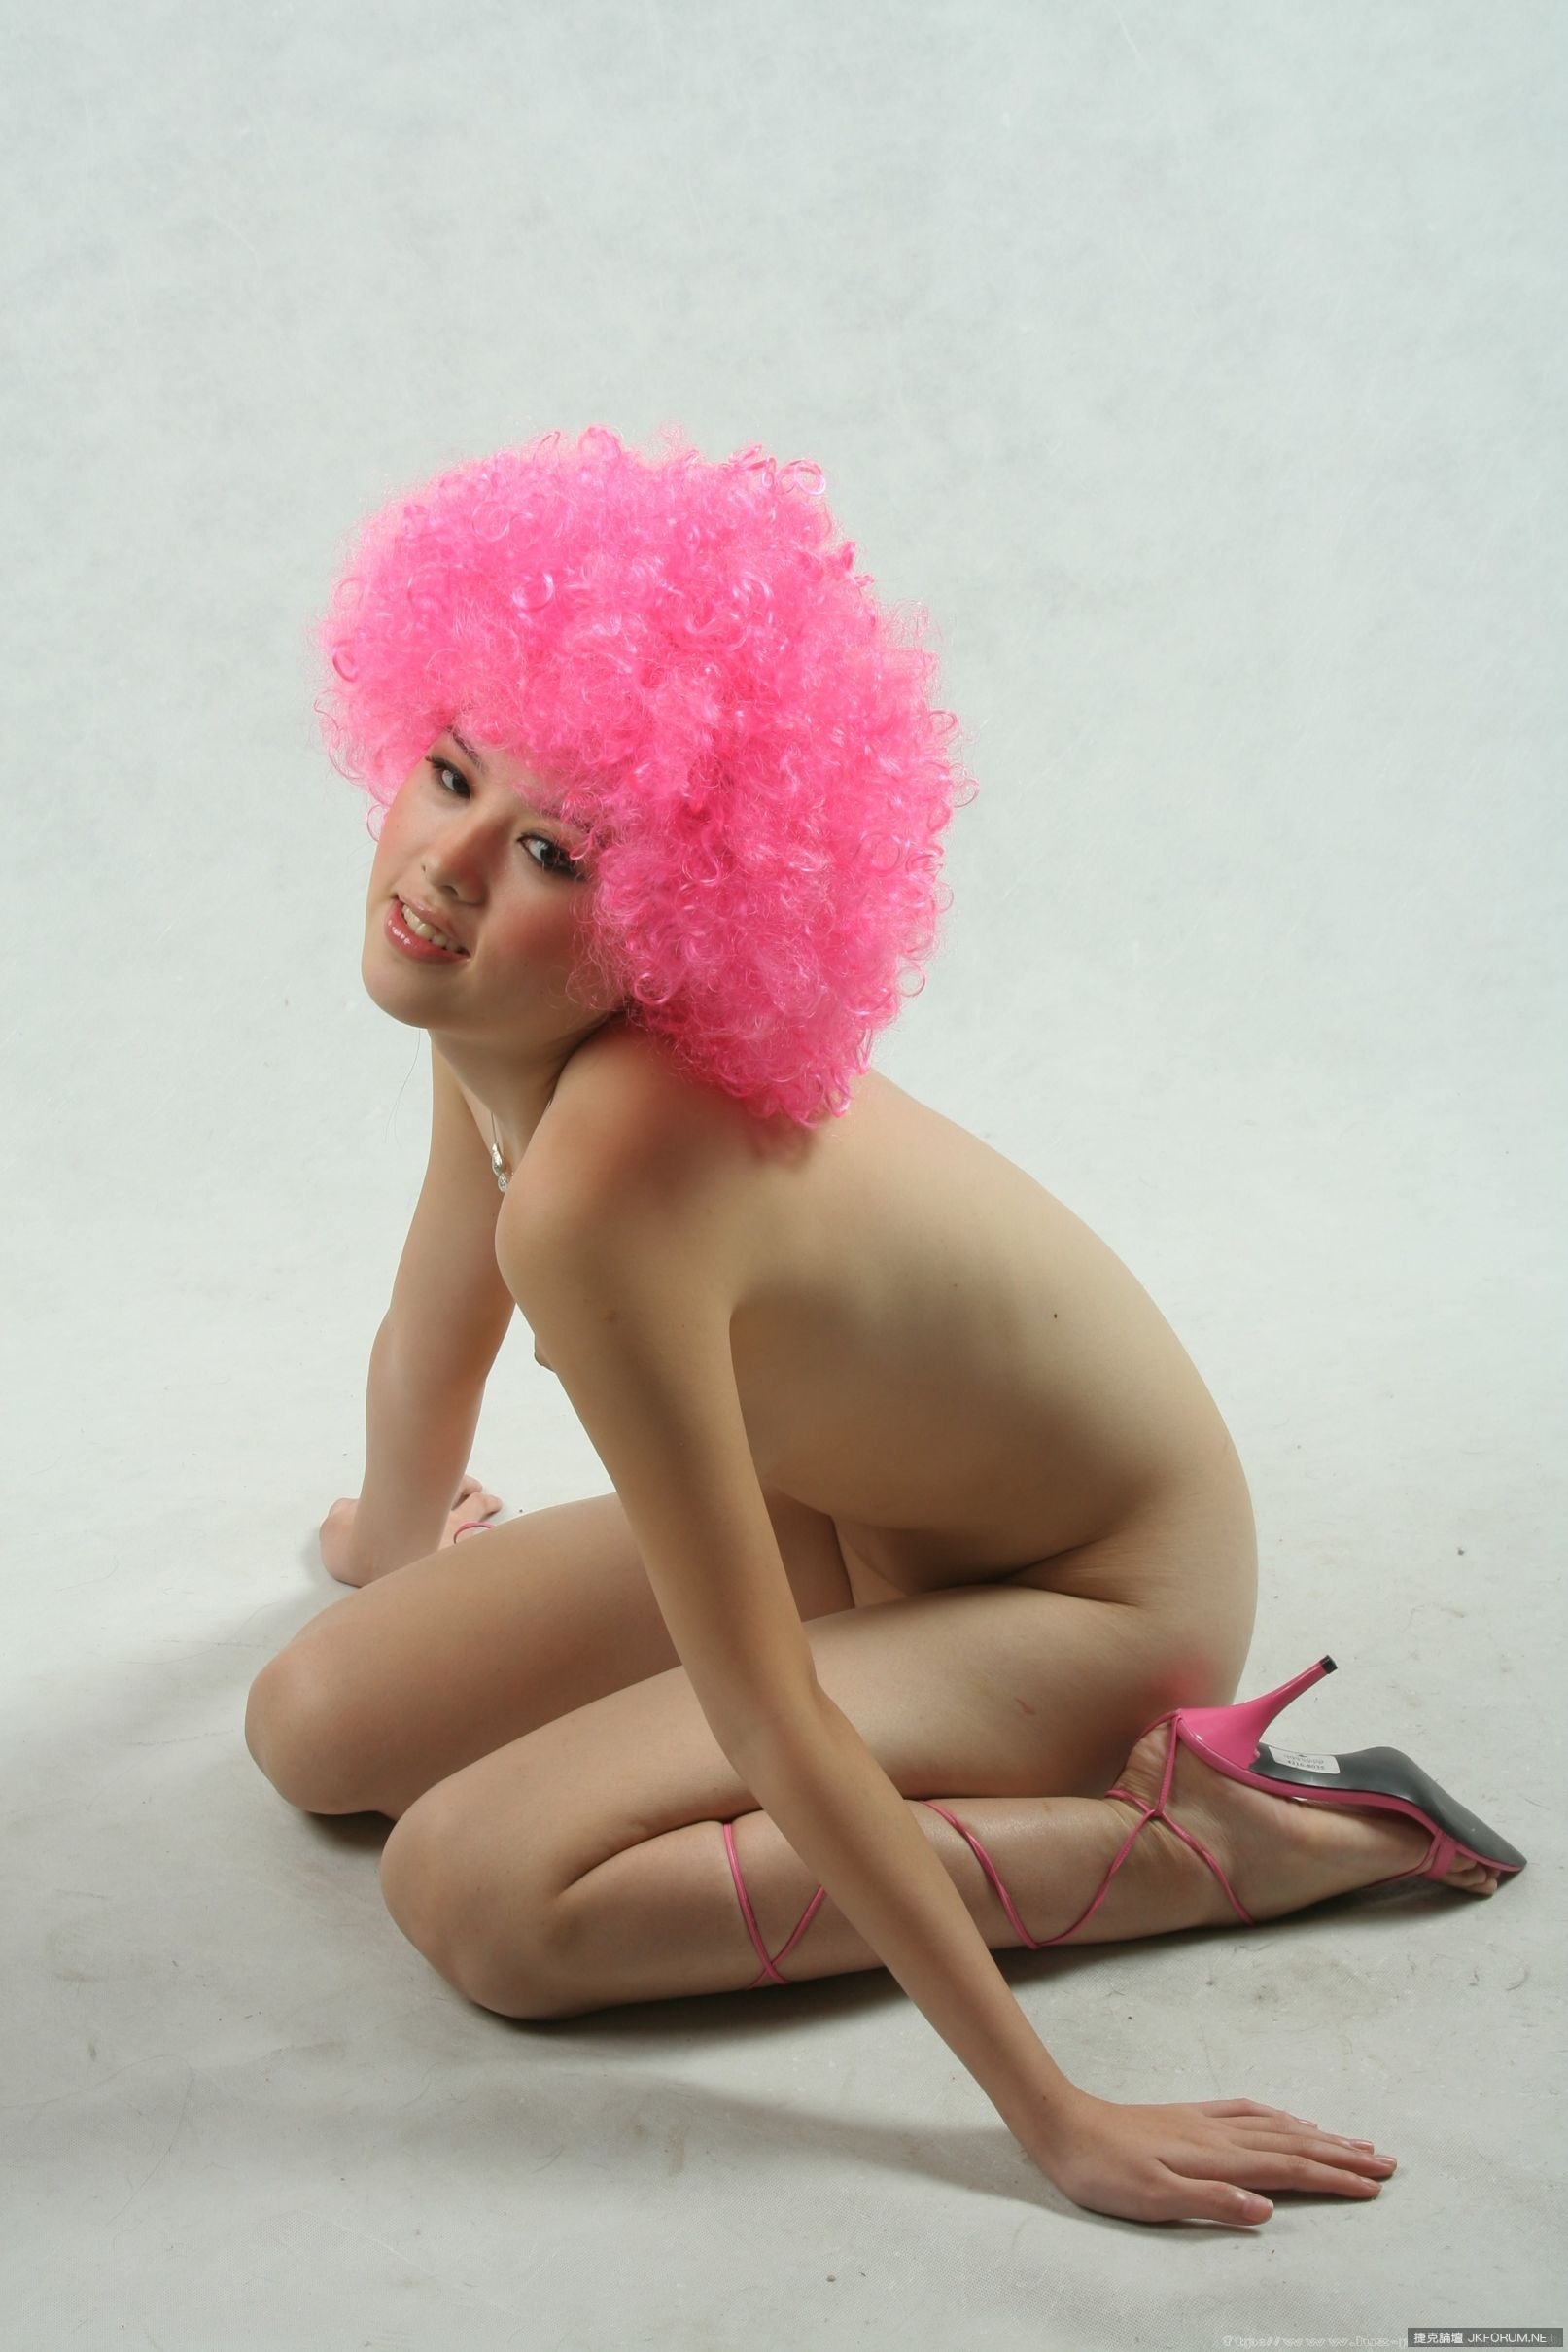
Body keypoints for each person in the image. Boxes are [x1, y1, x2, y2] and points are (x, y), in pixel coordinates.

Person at [244, 424, 1522, 2229]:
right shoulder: (501, 1018)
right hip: (859, 1526)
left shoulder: (611, 1180)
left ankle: (1207, 1840)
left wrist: (1054, 2117)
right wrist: (393, 1551)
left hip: (1088, 1601)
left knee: (477, 1893)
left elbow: (769, 1710)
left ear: (675, 913)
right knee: (310, 1722)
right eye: (450, 772)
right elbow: (431, 1318)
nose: (445, 866)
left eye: (549, 850)